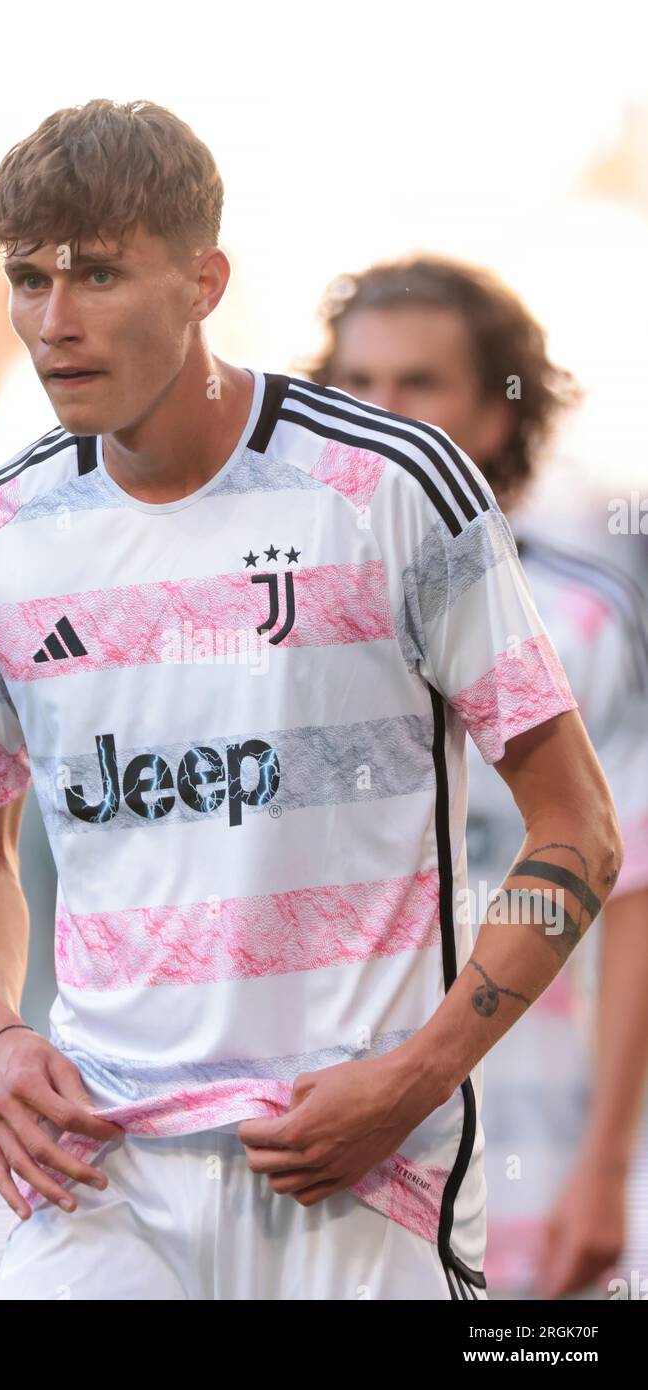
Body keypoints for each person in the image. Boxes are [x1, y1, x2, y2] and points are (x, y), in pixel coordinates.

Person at [0, 100, 623, 1301]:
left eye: (95, 275)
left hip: (359, 1175)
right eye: (27, 281)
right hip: (101, 1174)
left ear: (203, 281)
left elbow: (580, 831)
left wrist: (412, 1077)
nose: (53, 321)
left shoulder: (389, 486)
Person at [303, 252, 648, 1298]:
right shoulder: (270, 613)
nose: (382, 413)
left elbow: (627, 900)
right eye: (355, 386)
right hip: (327, 1141)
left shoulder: (585, 616)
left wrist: (603, 1166)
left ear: (495, 416)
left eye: (418, 384)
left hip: (528, 1139)